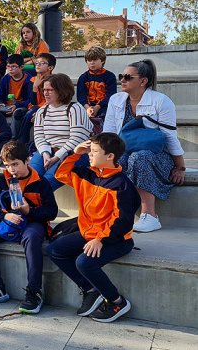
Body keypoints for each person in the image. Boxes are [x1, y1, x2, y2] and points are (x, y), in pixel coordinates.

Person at [48, 134, 139, 323]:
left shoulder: (122, 185)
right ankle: (90, 290)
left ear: (110, 156)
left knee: (84, 262)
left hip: (117, 239)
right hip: (88, 232)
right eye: (90, 150)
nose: (89, 154)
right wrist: (74, 154)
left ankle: (117, 301)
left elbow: (123, 221)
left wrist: (101, 239)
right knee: (55, 250)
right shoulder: (86, 174)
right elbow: (60, 174)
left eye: (95, 151)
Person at [0, 141, 57, 314]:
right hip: (8, 221)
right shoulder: (3, 179)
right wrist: (5, 215)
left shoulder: (41, 182)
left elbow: (51, 212)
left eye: (15, 164)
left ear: (27, 160)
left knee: (32, 238)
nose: (11, 169)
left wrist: (29, 211)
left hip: (33, 223)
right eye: (7, 165)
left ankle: (34, 292)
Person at [103, 59, 185, 233]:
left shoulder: (161, 101)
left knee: (138, 157)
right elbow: (109, 134)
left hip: (157, 155)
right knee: (117, 159)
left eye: (127, 77)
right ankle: (115, 212)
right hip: (125, 150)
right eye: (121, 76)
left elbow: (170, 136)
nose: (122, 80)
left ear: (143, 81)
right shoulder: (116, 99)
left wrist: (180, 167)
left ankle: (150, 215)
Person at [31, 74, 93, 191]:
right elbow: (39, 137)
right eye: (44, 90)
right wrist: (45, 153)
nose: (46, 93)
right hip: (48, 151)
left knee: (46, 184)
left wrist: (57, 157)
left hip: (74, 154)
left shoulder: (75, 108)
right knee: (29, 179)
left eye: (50, 90)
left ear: (61, 90)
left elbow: (77, 139)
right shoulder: (41, 111)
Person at [14, 52, 56, 145]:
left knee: (30, 114)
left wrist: (40, 111)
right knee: (18, 113)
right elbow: (33, 101)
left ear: (50, 68)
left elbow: (55, 100)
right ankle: (16, 138)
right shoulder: (32, 79)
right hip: (34, 106)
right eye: (36, 63)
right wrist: (35, 87)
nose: (38, 65)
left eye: (42, 63)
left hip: (47, 107)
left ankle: (21, 142)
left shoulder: (54, 81)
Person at [77, 46, 117, 124]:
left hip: (104, 107)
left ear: (102, 61)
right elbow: (81, 95)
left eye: (95, 60)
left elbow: (111, 95)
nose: (92, 62)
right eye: (89, 60)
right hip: (87, 107)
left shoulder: (110, 76)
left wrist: (97, 107)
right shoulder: (83, 77)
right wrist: (88, 108)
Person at [0, 54, 32, 127]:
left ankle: (13, 137)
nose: (10, 69)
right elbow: (0, 96)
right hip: (8, 106)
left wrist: (16, 105)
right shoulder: (5, 79)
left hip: (22, 106)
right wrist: (0, 103)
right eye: (8, 66)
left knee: (17, 113)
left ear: (21, 67)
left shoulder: (29, 80)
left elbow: (31, 100)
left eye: (13, 66)